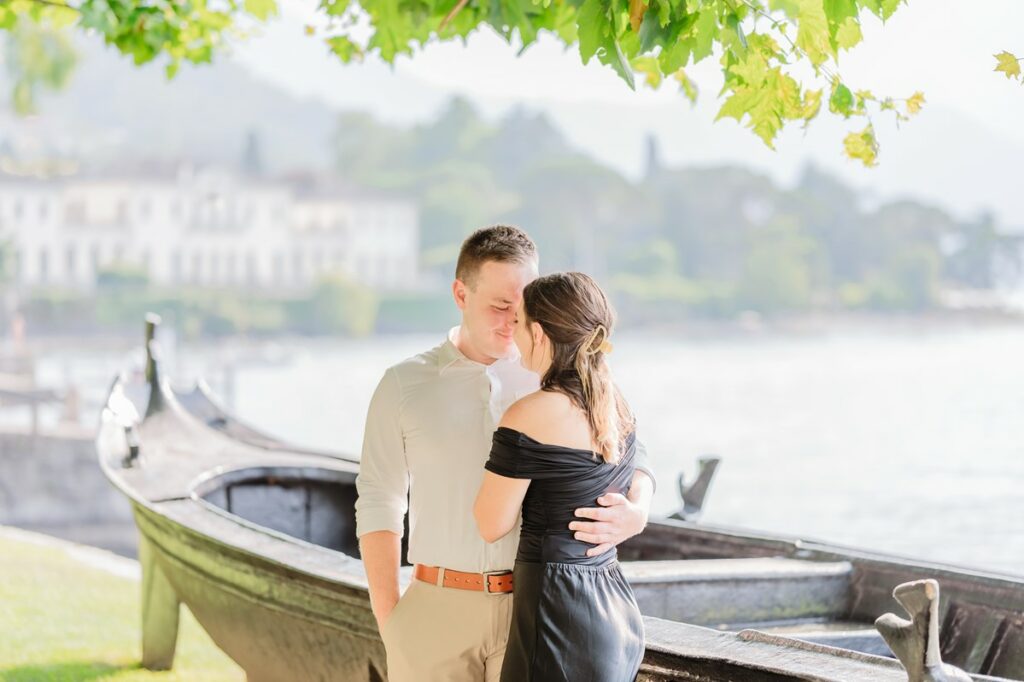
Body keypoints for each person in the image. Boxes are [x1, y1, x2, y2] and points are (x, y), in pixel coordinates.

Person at [355, 226, 654, 681]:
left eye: (522, 308)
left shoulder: (552, 368)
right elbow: (379, 500)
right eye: (499, 306)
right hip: (436, 610)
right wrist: (389, 616)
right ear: (460, 292)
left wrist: (637, 513)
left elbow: (633, 449)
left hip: (536, 612)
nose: (512, 322)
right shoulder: (402, 384)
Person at [474, 271, 645, 682]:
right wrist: (639, 510)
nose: (512, 335)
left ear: (538, 333)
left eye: (517, 323)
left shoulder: (530, 414)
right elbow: (638, 468)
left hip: (557, 611)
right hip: (613, 609)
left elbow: (490, 523)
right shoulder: (614, 403)